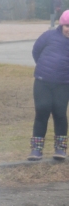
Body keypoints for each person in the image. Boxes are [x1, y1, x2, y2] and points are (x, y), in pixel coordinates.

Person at [28, 11, 69, 161]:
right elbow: (36, 51)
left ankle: (60, 148)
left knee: (60, 114)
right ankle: (36, 149)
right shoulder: (49, 36)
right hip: (42, 81)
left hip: (63, 84)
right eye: (67, 26)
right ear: (61, 24)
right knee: (42, 112)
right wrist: (43, 67)